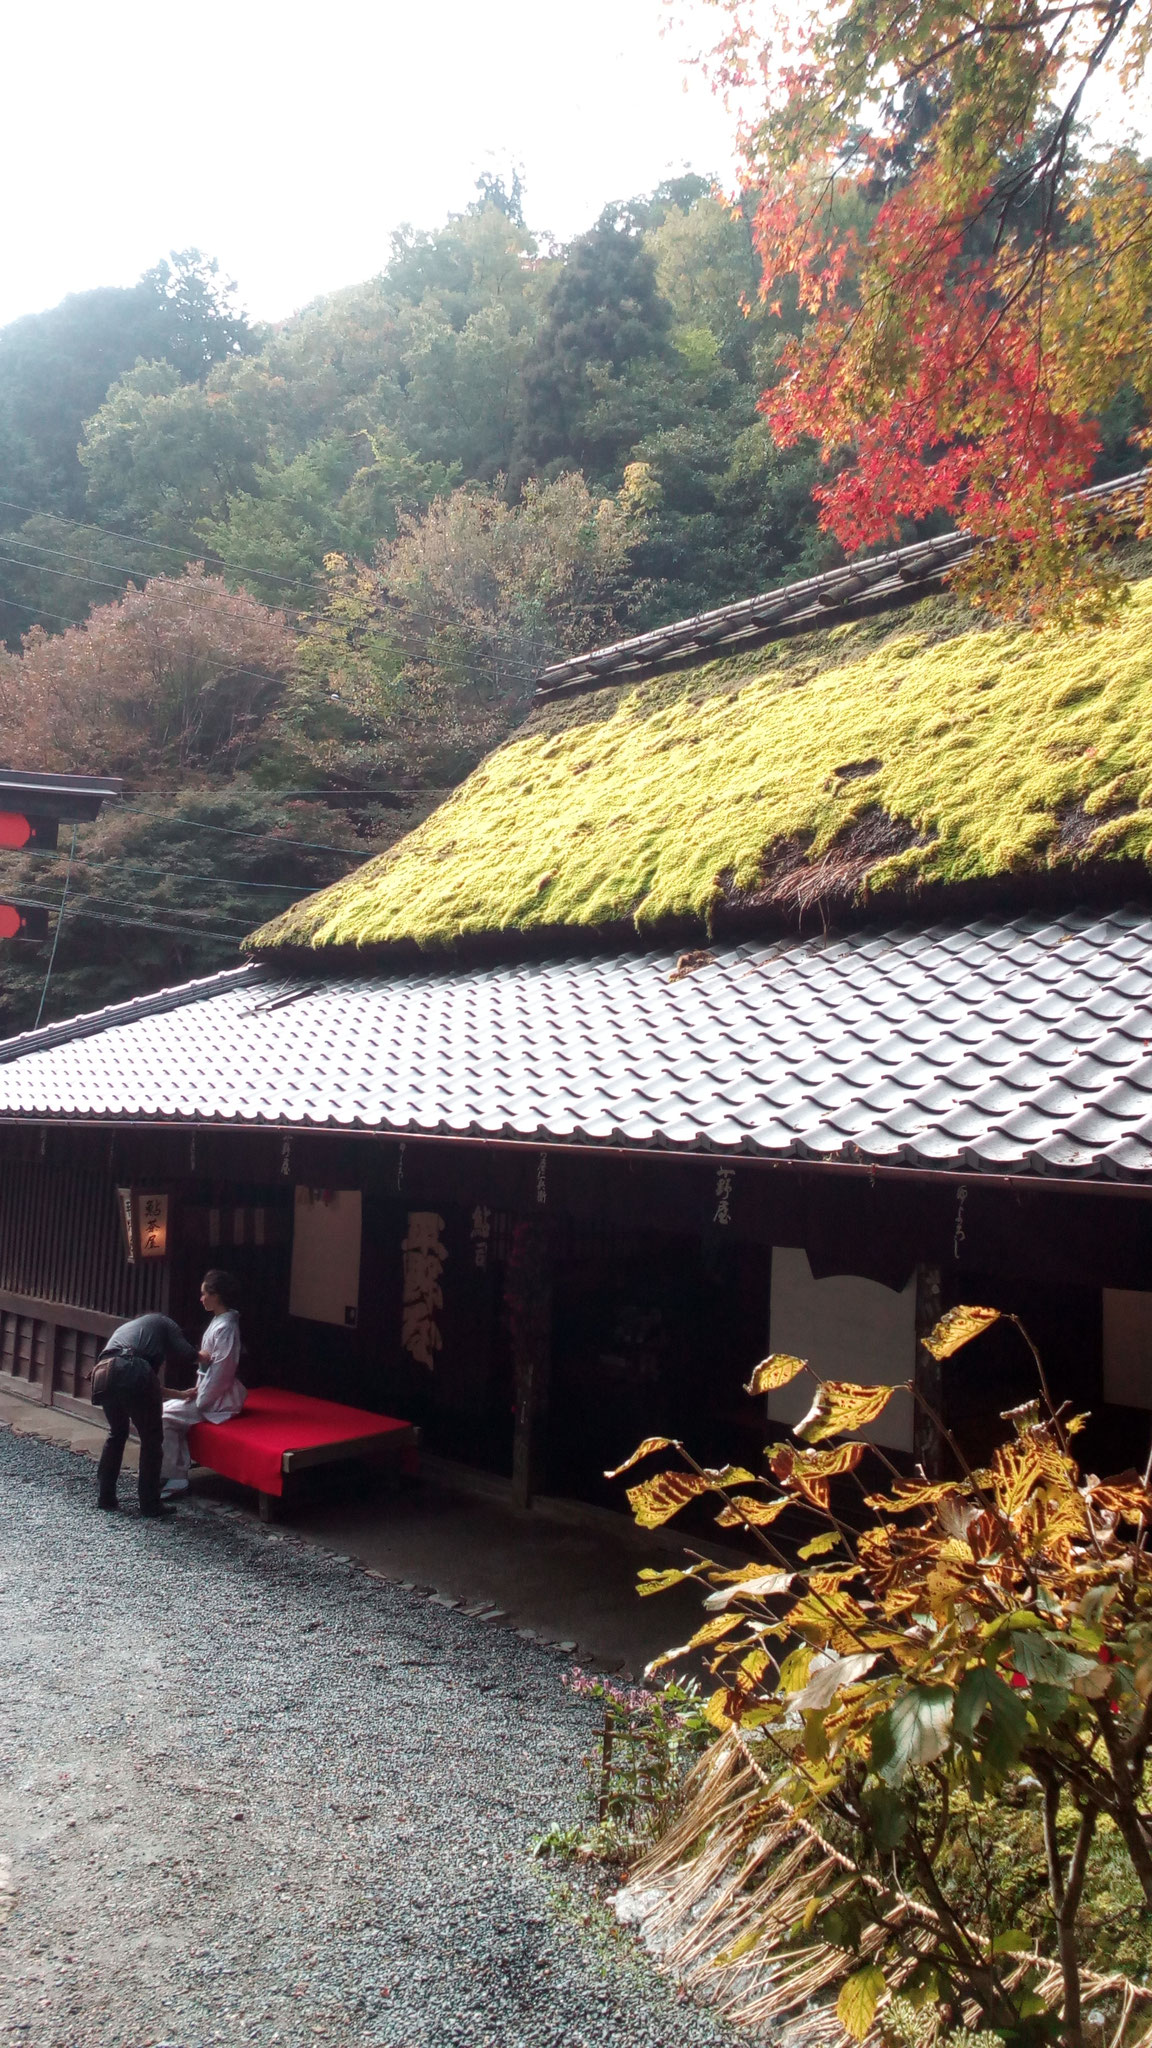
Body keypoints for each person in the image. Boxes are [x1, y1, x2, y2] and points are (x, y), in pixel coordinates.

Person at [92, 1312, 201, 1517]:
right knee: (151, 1439)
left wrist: (179, 1395)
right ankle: (149, 1503)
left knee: (117, 1433)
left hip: (103, 1372)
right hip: (132, 1370)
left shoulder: (132, 1331)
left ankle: (105, 1497)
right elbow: (187, 1353)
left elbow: (147, 1382)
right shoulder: (167, 1324)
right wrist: (204, 1357)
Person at [160, 1270, 246, 1499]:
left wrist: (202, 1399)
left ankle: (177, 1475)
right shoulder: (220, 1322)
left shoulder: (226, 1327)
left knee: (164, 1416)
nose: (201, 1298)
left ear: (216, 1296)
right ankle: (171, 1470)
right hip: (208, 1390)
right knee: (163, 1412)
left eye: (204, 1294)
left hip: (218, 1398)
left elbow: (222, 1372)